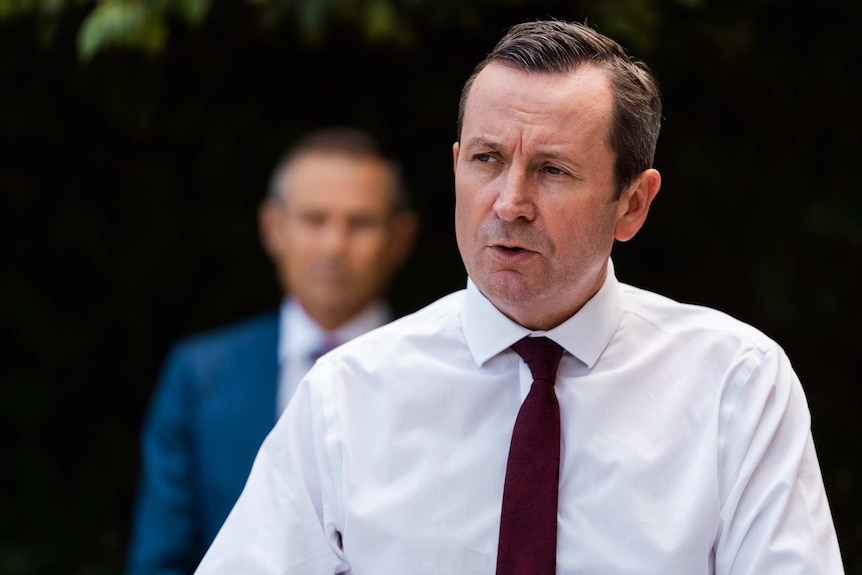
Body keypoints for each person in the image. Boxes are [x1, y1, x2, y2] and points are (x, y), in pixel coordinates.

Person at [194, 20, 844, 574]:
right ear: (455, 167)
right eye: (486, 159)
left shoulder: (736, 384)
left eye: (553, 170)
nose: (508, 203)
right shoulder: (348, 393)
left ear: (634, 203)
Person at [124, 127, 419, 575]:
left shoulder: (442, 368)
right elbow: (160, 561)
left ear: (400, 238)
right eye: (314, 220)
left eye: (360, 223)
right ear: (273, 228)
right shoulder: (200, 377)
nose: (334, 245)